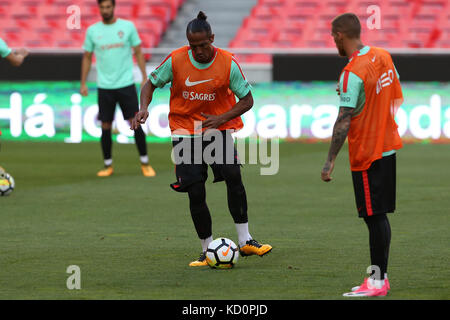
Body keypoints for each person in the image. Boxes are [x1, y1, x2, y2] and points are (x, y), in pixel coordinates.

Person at [131, 12, 272, 266]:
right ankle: (207, 250)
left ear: (212, 39)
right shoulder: (176, 60)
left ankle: (245, 240)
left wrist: (221, 119)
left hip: (217, 130)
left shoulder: (227, 62)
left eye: (203, 45)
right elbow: (150, 84)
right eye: (193, 46)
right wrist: (143, 107)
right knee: (195, 191)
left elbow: (247, 100)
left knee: (233, 175)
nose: (198, 51)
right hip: (185, 132)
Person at [321, 13, 403, 297]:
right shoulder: (383, 55)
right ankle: (381, 278)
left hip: (367, 153)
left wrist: (330, 159)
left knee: (374, 217)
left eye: (334, 36)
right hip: (387, 145)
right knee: (378, 215)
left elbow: (344, 120)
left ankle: (377, 282)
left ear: (341, 36)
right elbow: (391, 94)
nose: (333, 41)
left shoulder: (352, 72)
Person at [80, 0, 155, 177]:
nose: (105, 10)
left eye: (108, 7)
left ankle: (145, 163)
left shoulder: (127, 27)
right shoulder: (93, 31)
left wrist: (144, 76)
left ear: (113, 8)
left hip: (126, 84)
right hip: (104, 86)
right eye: (102, 7)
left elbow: (138, 51)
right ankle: (108, 165)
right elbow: (87, 57)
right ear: (99, 9)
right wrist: (83, 82)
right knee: (105, 125)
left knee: (135, 122)